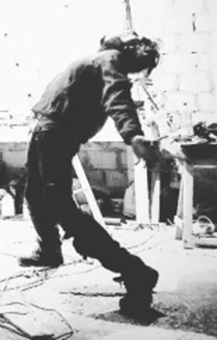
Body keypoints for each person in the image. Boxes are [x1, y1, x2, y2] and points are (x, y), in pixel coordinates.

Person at [20, 32, 162, 317]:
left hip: (55, 135)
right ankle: (49, 250)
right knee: (35, 195)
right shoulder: (101, 61)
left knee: (60, 206)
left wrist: (133, 136)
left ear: (129, 50)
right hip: (48, 132)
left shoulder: (109, 60)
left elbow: (118, 97)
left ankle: (134, 271)